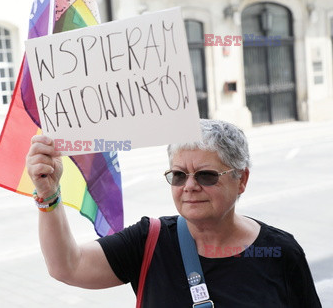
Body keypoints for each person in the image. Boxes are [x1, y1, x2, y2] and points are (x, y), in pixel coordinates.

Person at [26, 119, 322, 307]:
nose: (189, 186)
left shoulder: (280, 251)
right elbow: (67, 266)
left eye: (206, 175)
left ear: (241, 180)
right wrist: (48, 194)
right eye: (178, 175)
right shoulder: (149, 241)